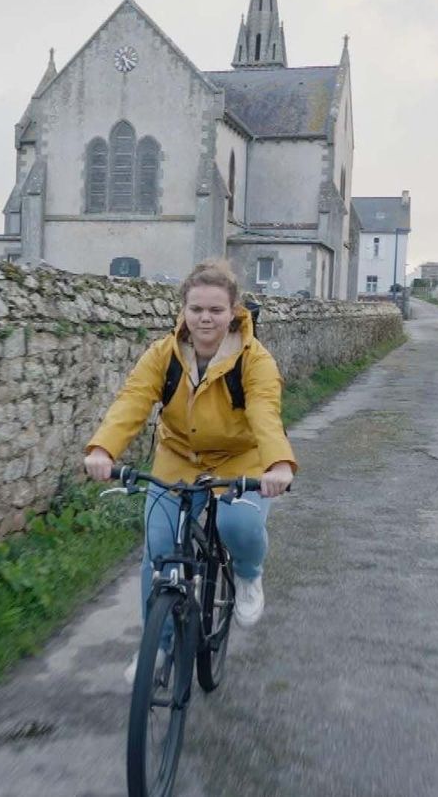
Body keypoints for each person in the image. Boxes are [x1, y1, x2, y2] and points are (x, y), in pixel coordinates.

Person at [83, 260, 296, 683]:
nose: (205, 317)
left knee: (239, 525)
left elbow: (264, 413)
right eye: (196, 308)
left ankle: (249, 576)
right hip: (178, 457)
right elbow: (133, 400)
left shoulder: (255, 360)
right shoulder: (164, 354)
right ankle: (157, 650)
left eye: (215, 310)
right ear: (182, 310)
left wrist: (279, 463)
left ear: (234, 311)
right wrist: (103, 448)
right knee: (160, 551)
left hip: (241, 458)